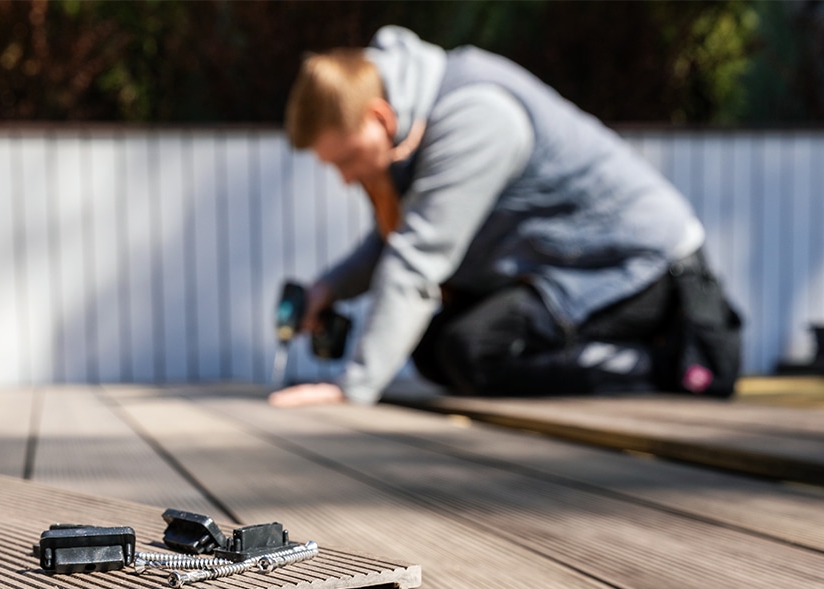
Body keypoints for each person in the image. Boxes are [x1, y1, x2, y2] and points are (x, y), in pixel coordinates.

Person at [269, 26, 740, 408]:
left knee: (469, 351)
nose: (346, 179)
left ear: (381, 118)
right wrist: (325, 290)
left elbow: (418, 257)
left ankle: (667, 364)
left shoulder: (474, 117)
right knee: (433, 349)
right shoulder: (416, 120)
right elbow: (394, 243)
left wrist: (353, 390)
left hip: (634, 265)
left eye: (346, 160)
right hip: (561, 268)